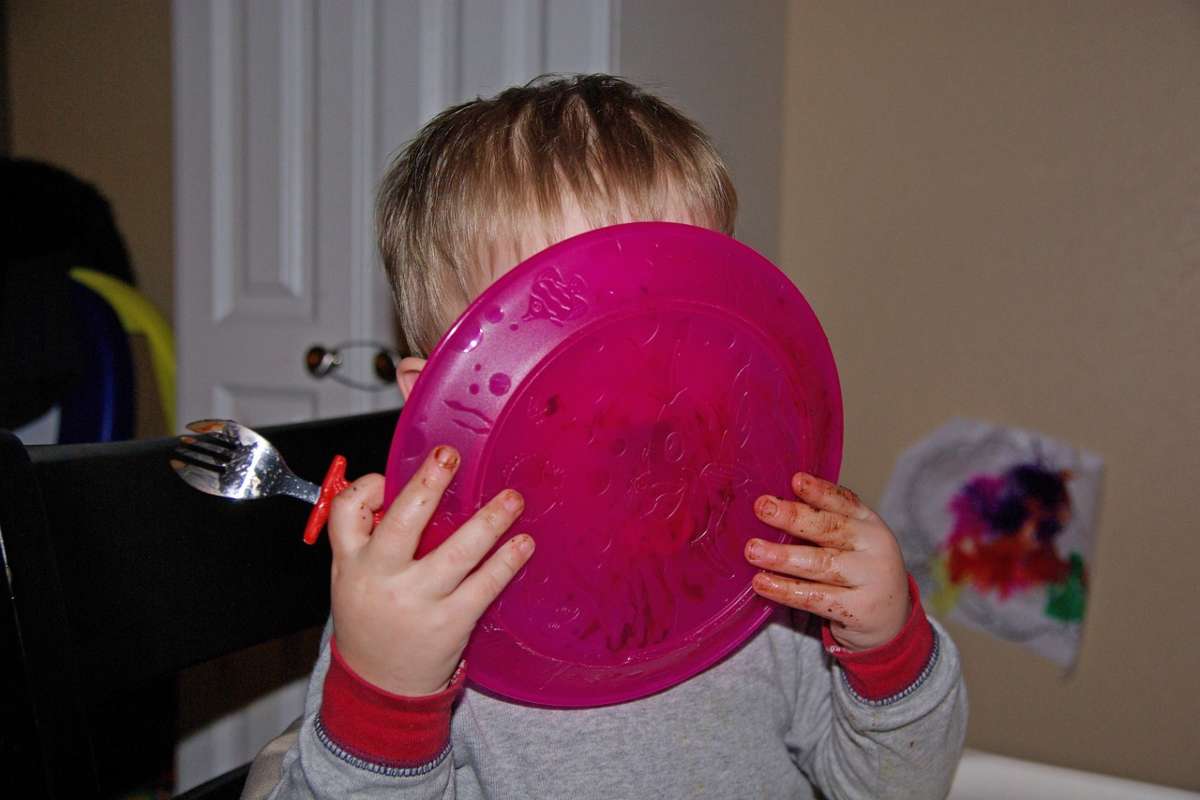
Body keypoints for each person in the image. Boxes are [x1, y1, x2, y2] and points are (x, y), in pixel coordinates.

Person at [248, 74, 967, 800]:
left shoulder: (762, 581)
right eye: (581, 357)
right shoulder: (422, 618)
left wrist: (889, 647)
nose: (643, 404)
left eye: (678, 335)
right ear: (437, 402)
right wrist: (387, 697)